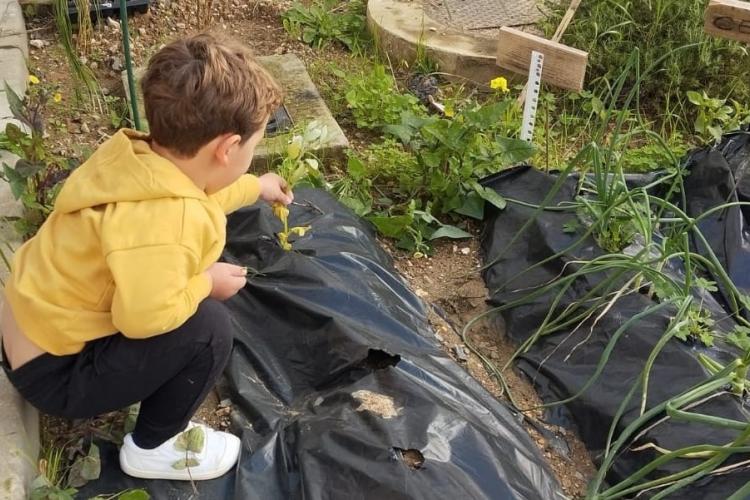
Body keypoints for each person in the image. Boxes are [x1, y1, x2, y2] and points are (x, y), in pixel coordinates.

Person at [0, 32, 292, 481]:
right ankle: (155, 447)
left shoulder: (136, 159)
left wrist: (256, 186)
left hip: (25, 327)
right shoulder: (169, 221)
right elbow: (143, 319)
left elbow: (201, 190)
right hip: (55, 376)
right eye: (252, 149)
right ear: (227, 148)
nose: (250, 159)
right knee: (209, 329)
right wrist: (205, 284)